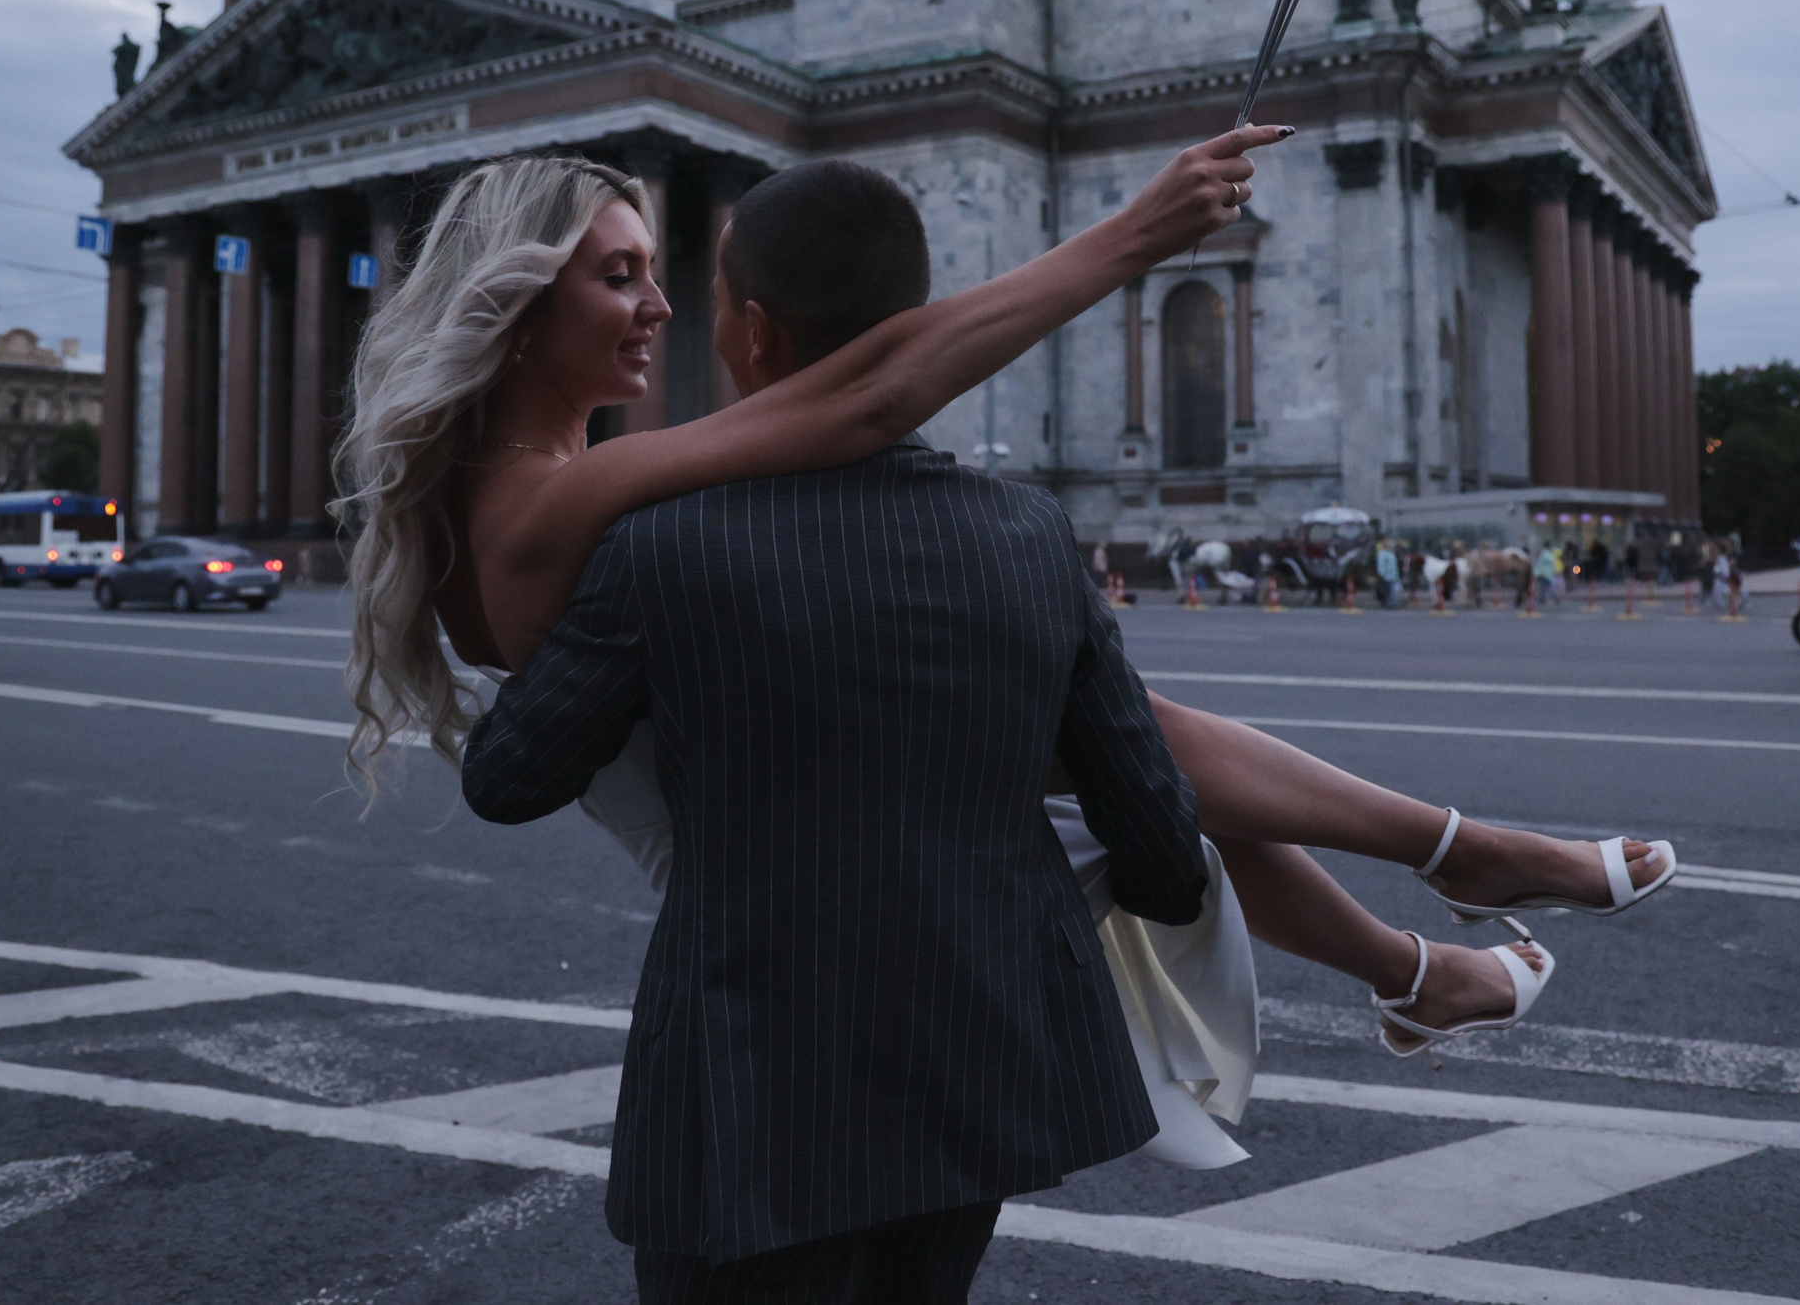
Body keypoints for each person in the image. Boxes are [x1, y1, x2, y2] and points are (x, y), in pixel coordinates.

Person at [336, 142, 1674, 1295]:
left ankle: (1427, 938)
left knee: (1122, 741)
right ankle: (1439, 896)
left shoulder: (553, 481)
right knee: (1127, 741)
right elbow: (865, 395)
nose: (658, 305)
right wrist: (1134, 237)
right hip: (772, 863)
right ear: (513, 306)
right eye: (616, 275)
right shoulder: (567, 501)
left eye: (658, 270)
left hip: (787, 834)